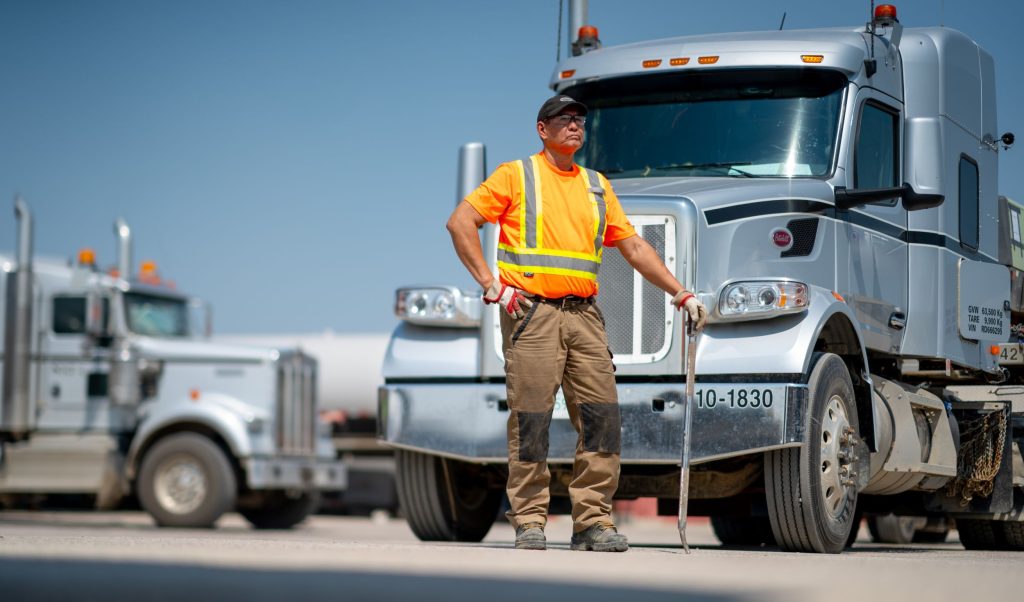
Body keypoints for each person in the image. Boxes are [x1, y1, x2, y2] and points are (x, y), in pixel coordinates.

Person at [446, 94, 707, 552]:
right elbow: (461, 222)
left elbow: (635, 249)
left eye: (580, 119)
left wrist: (680, 292)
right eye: (564, 119)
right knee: (532, 422)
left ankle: (592, 523)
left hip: (584, 316)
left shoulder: (596, 185)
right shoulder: (516, 175)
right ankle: (529, 521)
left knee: (602, 419)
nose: (575, 125)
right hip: (532, 314)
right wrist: (491, 284)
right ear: (541, 129)